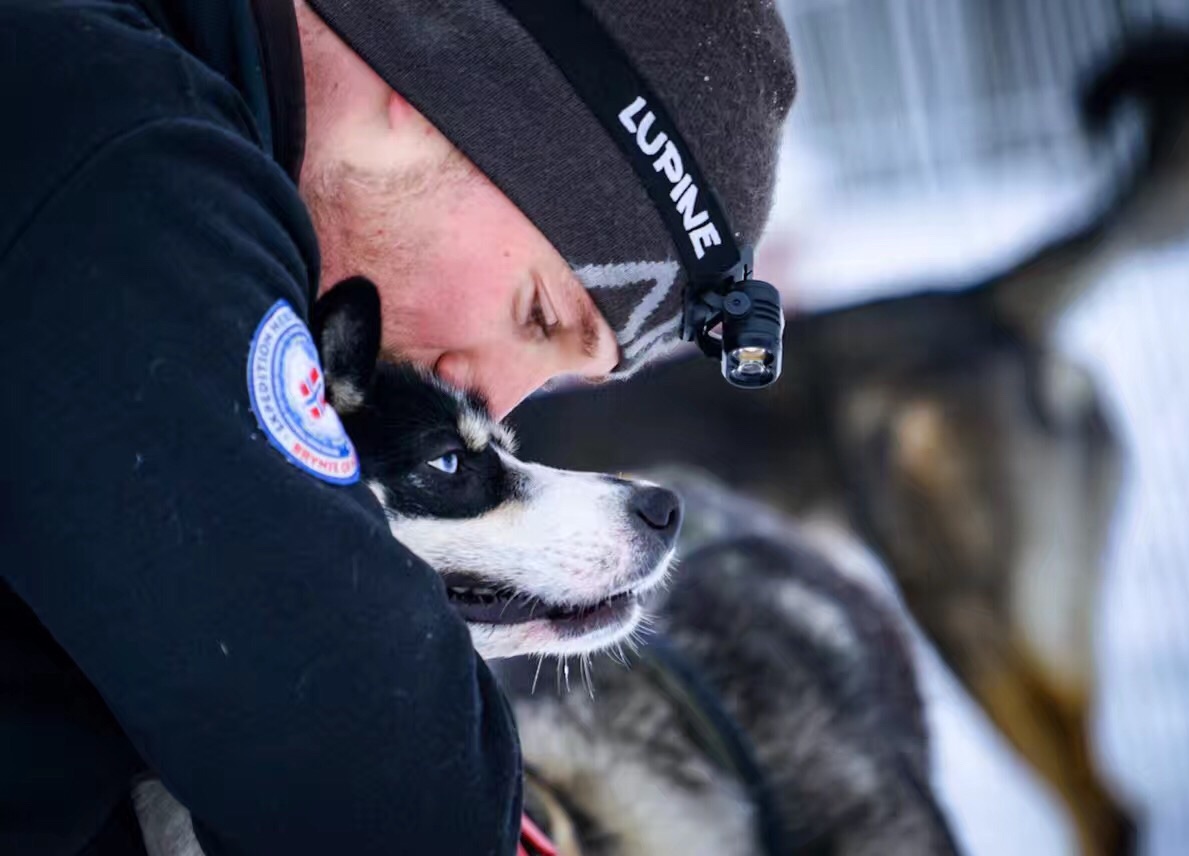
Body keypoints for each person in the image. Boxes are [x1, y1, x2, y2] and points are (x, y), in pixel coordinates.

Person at [0, 0, 795, 853]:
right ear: (439, 98)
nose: (492, 399)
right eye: (535, 313)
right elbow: (369, 768)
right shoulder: (118, 159)